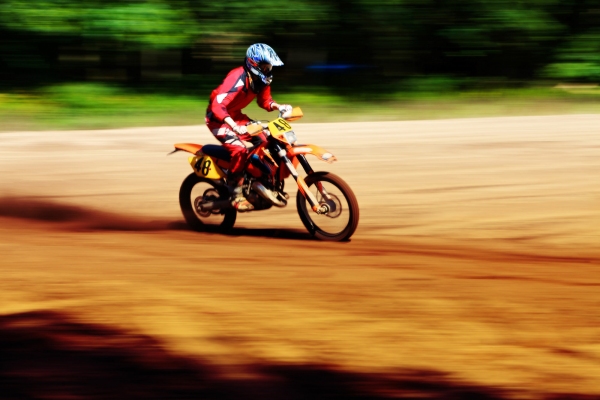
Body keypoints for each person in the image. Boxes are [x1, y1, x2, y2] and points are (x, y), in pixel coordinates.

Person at [205, 43, 292, 212]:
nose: (268, 70)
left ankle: (263, 183)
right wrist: (234, 128)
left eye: (269, 67)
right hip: (218, 119)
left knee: (267, 139)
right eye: (265, 66)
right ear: (254, 63)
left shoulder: (261, 80)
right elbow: (217, 106)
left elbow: (265, 101)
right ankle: (235, 194)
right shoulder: (237, 77)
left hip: (236, 116)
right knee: (238, 149)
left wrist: (279, 107)